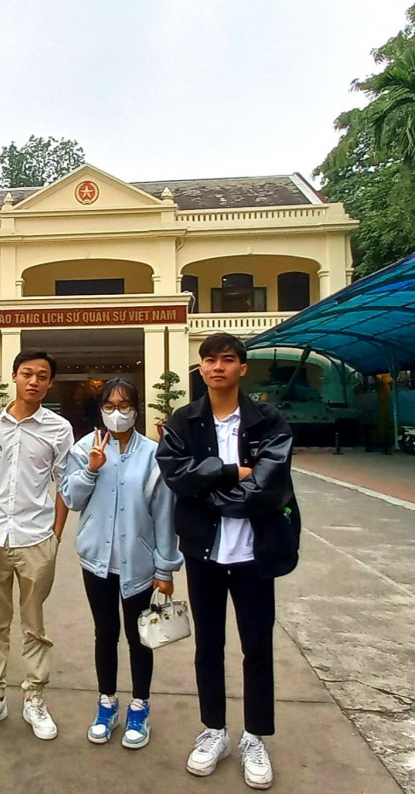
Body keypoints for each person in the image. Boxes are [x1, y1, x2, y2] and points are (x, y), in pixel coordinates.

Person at [157, 332, 300, 791]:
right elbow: (176, 475)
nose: (217, 367)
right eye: (209, 360)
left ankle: (254, 736)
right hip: (205, 553)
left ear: (242, 368)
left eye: (227, 359)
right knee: (208, 646)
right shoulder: (184, 420)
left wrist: (210, 494)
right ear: (200, 368)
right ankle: (214, 730)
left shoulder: (268, 420)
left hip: (255, 554)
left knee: (256, 647)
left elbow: (270, 484)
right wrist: (228, 472)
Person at [60, 378, 181, 750]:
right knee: (105, 633)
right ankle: (107, 703)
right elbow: (71, 498)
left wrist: (165, 568)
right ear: (100, 410)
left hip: (139, 562)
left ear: (136, 409)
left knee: (140, 636)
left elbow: (164, 514)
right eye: (109, 406)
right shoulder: (85, 448)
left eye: (124, 405)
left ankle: (140, 706)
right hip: (97, 560)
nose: (117, 413)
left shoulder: (153, 454)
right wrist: (91, 469)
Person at [0, 350, 74, 740]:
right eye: (27, 373)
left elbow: (65, 483)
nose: (34, 381)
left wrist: (56, 534)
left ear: (50, 383)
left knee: (34, 625)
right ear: (14, 376)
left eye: (42, 376)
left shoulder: (58, 428)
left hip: (36, 537)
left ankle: (34, 698)